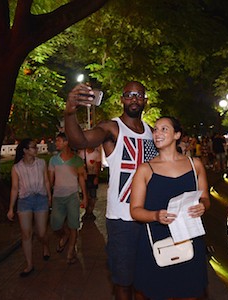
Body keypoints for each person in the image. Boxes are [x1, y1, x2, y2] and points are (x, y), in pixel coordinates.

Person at [64, 81, 158, 300]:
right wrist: (69, 113)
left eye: (139, 95)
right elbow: (78, 140)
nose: (134, 98)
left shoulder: (152, 133)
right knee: (123, 282)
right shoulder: (111, 129)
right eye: (129, 94)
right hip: (122, 220)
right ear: (122, 99)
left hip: (149, 218)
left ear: (145, 100)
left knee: (146, 279)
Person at [130, 116, 210, 299]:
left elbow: (205, 197)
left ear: (177, 135)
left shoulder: (194, 165)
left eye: (164, 129)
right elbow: (135, 210)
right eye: (155, 129)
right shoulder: (145, 169)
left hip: (189, 237)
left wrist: (202, 206)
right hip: (157, 240)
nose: (157, 133)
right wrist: (155, 215)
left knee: (190, 292)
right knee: (159, 292)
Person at [7, 138, 51, 277]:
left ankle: (45, 245)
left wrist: (49, 197)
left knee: (41, 232)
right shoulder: (17, 168)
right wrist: (11, 208)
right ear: (25, 150)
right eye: (33, 147)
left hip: (40, 199)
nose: (36, 149)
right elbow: (14, 188)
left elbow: (46, 180)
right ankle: (29, 264)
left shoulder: (41, 163)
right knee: (26, 234)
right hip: (25, 200)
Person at [48, 132, 87, 265]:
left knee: (73, 225)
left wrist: (85, 197)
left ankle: (71, 251)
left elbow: (82, 179)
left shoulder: (77, 160)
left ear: (66, 143)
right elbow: (50, 180)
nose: (56, 143)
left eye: (58, 141)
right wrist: (49, 194)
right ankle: (64, 236)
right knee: (56, 224)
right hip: (58, 196)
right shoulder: (53, 160)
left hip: (72, 196)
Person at [78, 146, 102, 220]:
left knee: (92, 195)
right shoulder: (82, 153)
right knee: (86, 194)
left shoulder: (96, 154)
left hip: (92, 176)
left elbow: (98, 166)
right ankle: (87, 211)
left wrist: (96, 177)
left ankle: (90, 211)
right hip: (84, 176)